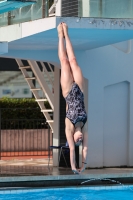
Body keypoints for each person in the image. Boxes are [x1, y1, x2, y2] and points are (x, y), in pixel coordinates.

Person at [57, 23, 88, 174]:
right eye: (81, 140)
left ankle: (60, 36)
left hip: (68, 91)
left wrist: (74, 168)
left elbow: (71, 151)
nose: (80, 139)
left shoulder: (69, 128)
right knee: (74, 60)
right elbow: (85, 149)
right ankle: (67, 34)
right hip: (80, 90)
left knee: (64, 62)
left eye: (78, 140)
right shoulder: (84, 126)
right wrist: (85, 165)